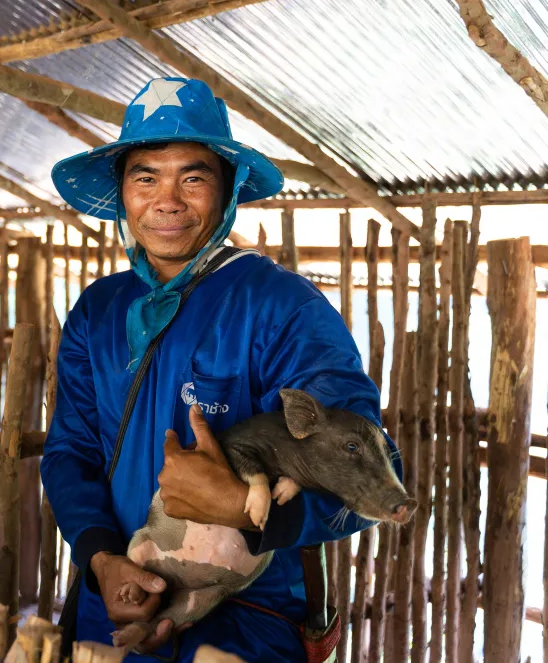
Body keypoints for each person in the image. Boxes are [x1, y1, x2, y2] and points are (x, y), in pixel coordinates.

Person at [41, 77, 402, 662]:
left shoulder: (283, 307)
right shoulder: (98, 310)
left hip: (245, 622)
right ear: (122, 191)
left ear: (229, 187)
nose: (167, 200)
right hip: (113, 603)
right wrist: (103, 560)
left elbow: (375, 463)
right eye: (145, 178)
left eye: (193, 178)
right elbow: (70, 452)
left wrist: (240, 506)